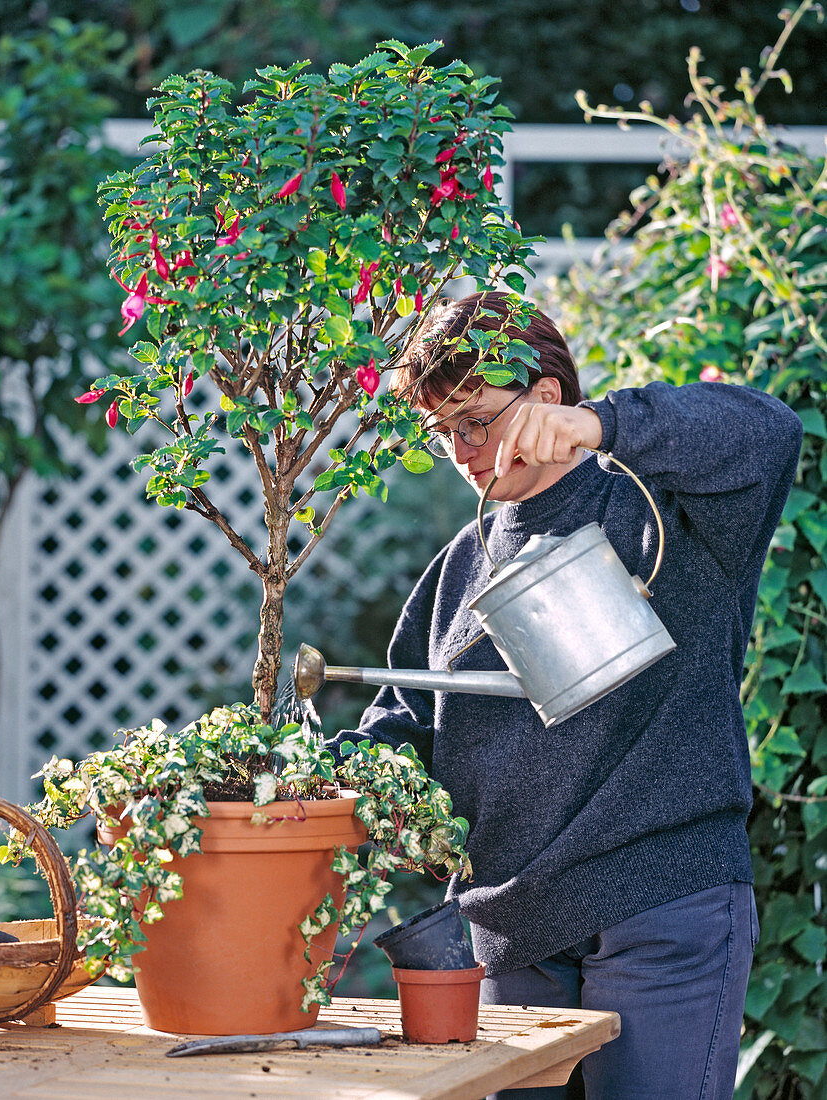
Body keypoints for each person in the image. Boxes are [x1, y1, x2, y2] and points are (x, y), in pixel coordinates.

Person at [333, 290, 803, 1099]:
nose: (461, 449)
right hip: (510, 934)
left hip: (662, 908)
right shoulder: (462, 566)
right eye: (443, 432)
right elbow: (404, 724)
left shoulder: (670, 517)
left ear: (546, 398)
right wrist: (334, 774)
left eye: (475, 421)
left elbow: (768, 431)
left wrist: (605, 424)